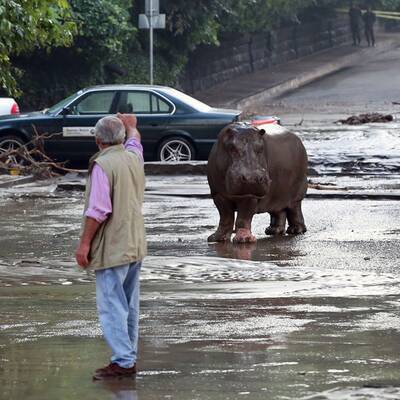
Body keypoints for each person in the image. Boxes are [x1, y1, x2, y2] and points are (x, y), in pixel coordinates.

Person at [75, 113, 147, 380]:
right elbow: (135, 142)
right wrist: (132, 127)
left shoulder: (102, 165)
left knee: (112, 305)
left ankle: (124, 361)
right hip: (135, 243)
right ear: (121, 138)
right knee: (128, 304)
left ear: (97, 140)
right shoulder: (133, 157)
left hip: (113, 247)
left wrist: (84, 245)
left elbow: (97, 211)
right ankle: (127, 357)